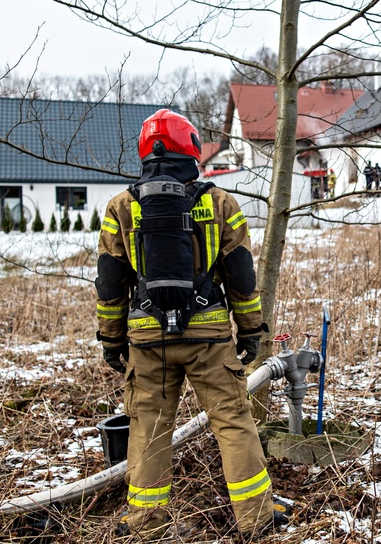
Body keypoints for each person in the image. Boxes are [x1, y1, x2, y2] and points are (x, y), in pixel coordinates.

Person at [96, 109, 277, 540]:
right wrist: (251, 331)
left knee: (148, 427)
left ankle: (146, 522)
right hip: (210, 337)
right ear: (191, 147)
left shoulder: (121, 207)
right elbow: (242, 278)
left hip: (146, 340)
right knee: (232, 421)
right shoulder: (220, 203)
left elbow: (110, 282)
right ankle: (256, 520)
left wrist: (111, 339)